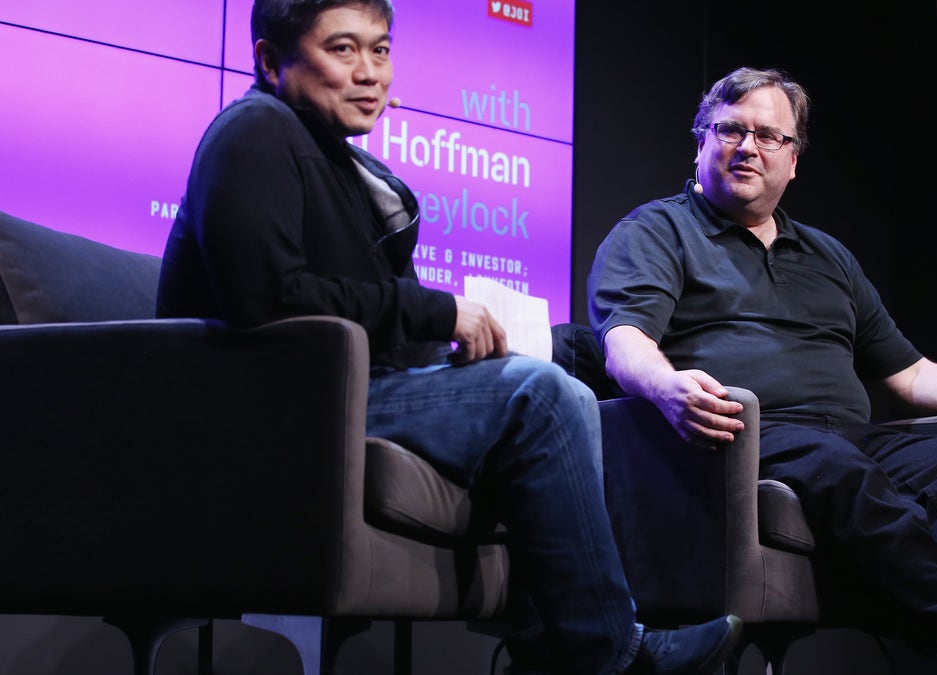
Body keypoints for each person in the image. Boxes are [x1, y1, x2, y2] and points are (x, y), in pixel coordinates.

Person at [155, 1, 742, 673]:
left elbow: (357, 304)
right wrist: (438, 315)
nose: (370, 72)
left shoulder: (331, 155)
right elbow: (267, 297)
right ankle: (613, 655)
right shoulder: (254, 129)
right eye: (343, 50)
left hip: (345, 387)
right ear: (268, 60)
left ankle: (550, 642)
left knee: (570, 367)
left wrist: (447, 345)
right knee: (542, 396)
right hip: (281, 402)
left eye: (380, 50)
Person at [588, 66, 937, 674]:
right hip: (746, 433)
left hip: (848, 432)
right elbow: (624, 338)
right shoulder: (657, 232)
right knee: (840, 470)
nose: (747, 147)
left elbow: (910, 373)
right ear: (701, 142)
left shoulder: (827, 255)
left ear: (793, 161)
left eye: (768, 136)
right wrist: (667, 387)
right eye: (730, 130)